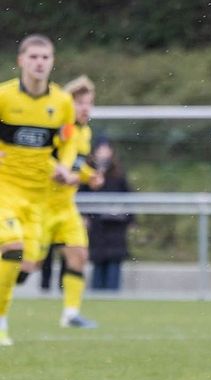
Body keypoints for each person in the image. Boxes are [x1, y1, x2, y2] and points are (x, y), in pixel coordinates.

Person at [0, 34, 77, 346]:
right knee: (12, 246)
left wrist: (66, 166)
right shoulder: (4, 96)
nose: (39, 63)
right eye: (33, 57)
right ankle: (1, 321)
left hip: (38, 196)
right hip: (4, 187)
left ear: (52, 62)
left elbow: (69, 139)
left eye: (45, 57)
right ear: (21, 61)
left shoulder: (62, 102)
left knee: (28, 264)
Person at [40, 75, 104, 328]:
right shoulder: (58, 129)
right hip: (40, 205)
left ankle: (70, 314)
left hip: (65, 208)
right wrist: (59, 171)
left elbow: (77, 166)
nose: (85, 108)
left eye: (89, 103)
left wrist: (91, 177)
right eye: (80, 103)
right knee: (25, 265)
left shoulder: (85, 132)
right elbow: (37, 159)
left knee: (79, 255)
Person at [84, 139, 133, 291]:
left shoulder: (118, 173)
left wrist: (130, 219)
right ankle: (97, 293)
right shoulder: (88, 172)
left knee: (114, 261)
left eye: (107, 150)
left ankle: (113, 294)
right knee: (98, 261)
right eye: (101, 149)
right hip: (96, 224)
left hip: (115, 225)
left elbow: (128, 196)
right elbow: (82, 195)